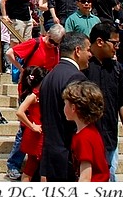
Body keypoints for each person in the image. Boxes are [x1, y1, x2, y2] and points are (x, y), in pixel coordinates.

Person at [3, 24, 64, 181]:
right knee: (25, 126)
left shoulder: (55, 50)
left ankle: (33, 162)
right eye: (52, 41)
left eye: (57, 43)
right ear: (46, 35)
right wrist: (21, 69)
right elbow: (10, 53)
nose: (53, 45)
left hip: (44, 91)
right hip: (29, 89)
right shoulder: (35, 43)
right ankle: (14, 164)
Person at [84, 22, 123, 181]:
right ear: (100, 42)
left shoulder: (116, 68)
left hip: (109, 138)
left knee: (109, 176)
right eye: (115, 43)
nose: (117, 47)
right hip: (85, 138)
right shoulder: (82, 67)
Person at [39, 31, 91, 182]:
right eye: (87, 49)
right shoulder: (75, 77)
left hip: (51, 156)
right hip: (68, 156)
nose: (90, 54)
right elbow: (80, 120)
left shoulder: (49, 76)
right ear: (77, 50)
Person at [62, 80, 110, 182]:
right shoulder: (91, 131)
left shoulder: (83, 138)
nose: (64, 107)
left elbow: (85, 176)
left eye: (65, 104)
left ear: (73, 108)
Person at [14, 66, 49, 183]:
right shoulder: (34, 95)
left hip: (40, 133)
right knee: (33, 168)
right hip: (36, 134)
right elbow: (19, 112)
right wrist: (32, 125)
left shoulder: (41, 94)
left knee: (33, 167)